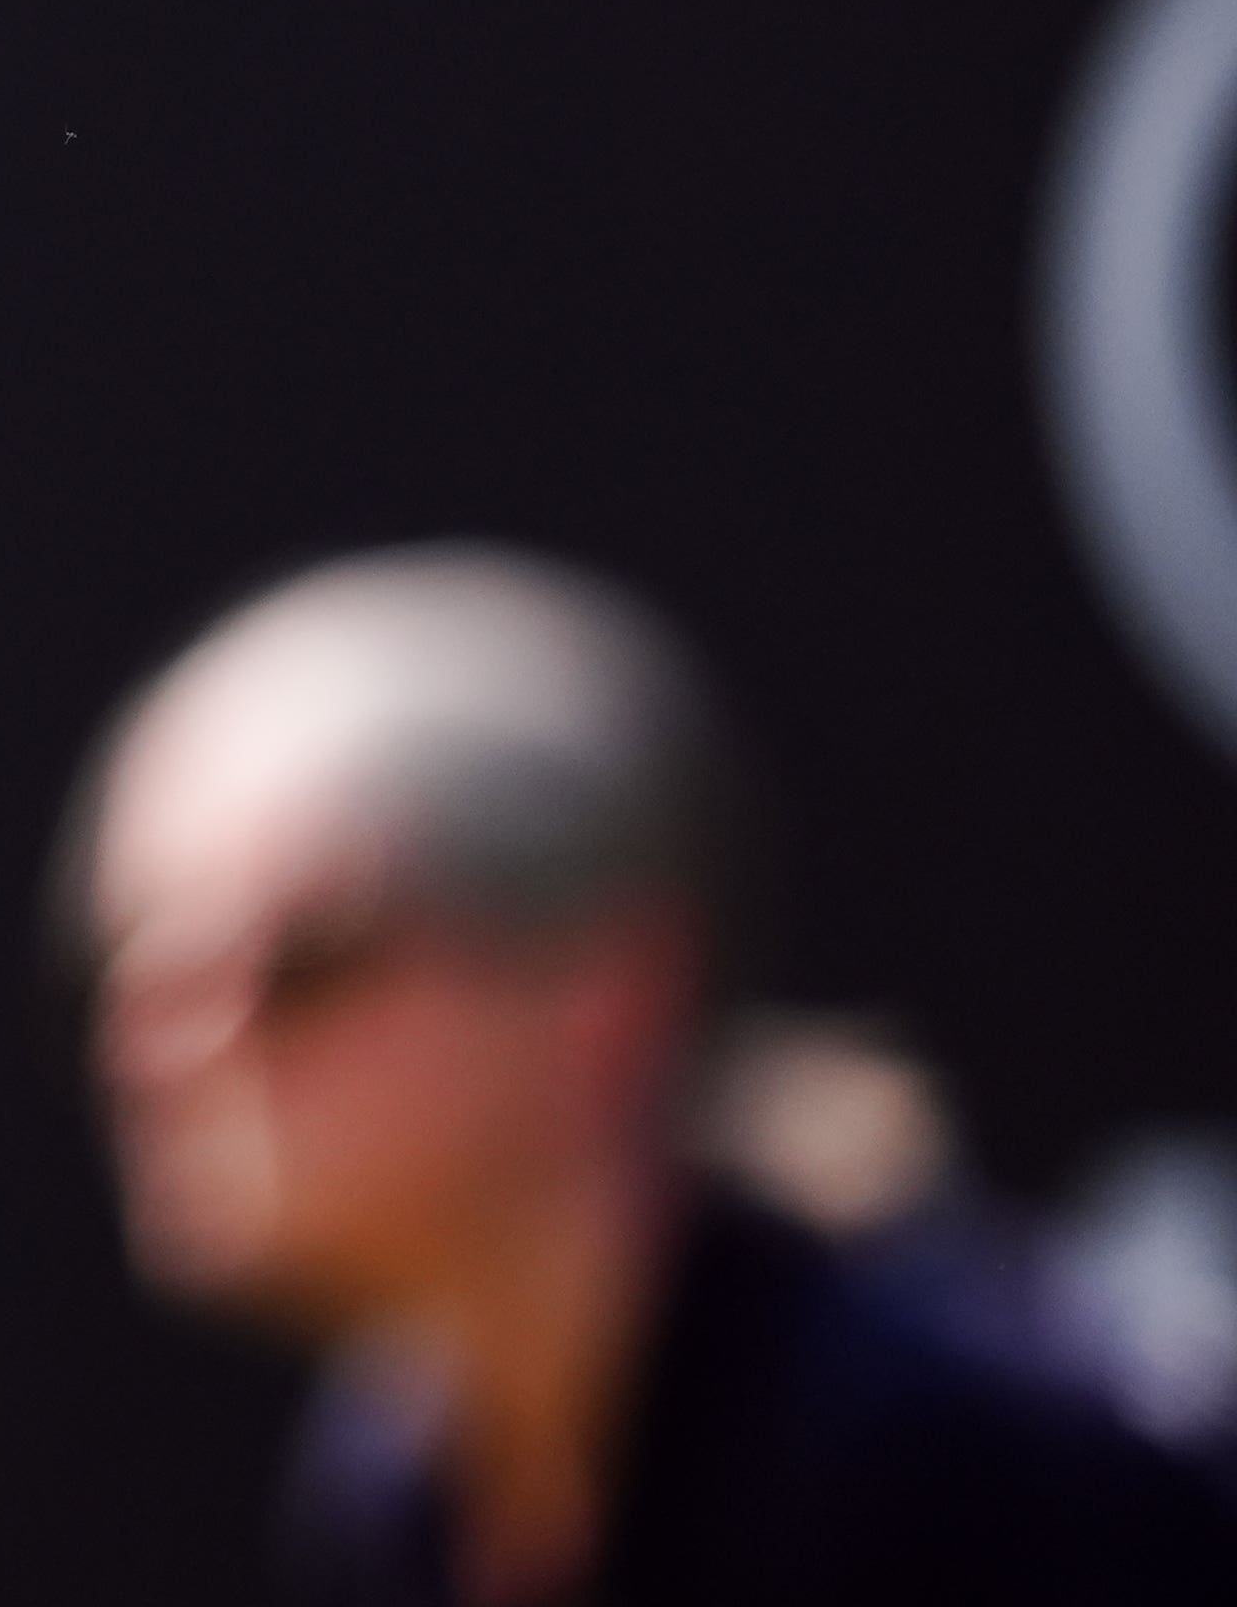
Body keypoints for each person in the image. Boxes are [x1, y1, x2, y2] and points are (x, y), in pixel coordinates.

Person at [65, 546, 1237, 1605]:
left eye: (300, 963)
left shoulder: (945, 1457)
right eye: (134, 967)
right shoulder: (391, 1483)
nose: (167, 1046)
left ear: (603, 988)